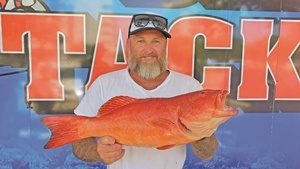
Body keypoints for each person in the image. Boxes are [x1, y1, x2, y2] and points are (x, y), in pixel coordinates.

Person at [72, 13, 220, 169]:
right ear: (129, 44)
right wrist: (98, 152)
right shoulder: (105, 83)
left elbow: (208, 153)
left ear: (166, 45)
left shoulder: (189, 87)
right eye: (140, 41)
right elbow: (78, 141)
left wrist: (200, 132)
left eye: (156, 41)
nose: (149, 50)